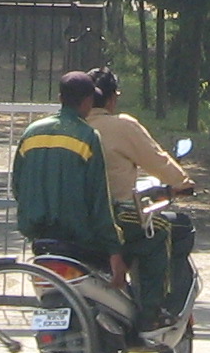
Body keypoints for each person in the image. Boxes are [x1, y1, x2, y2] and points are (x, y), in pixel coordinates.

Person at [84, 67, 194, 323]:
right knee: (165, 230)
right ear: (112, 98)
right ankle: (153, 312)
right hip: (116, 218)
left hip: (74, 219)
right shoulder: (122, 126)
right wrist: (183, 183)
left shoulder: (70, 128)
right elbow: (157, 160)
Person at [11, 69, 125, 285]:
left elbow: (17, 186)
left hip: (40, 239)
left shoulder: (31, 132)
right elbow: (99, 200)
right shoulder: (88, 136)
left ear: (60, 98)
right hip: (79, 241)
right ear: (89, 101)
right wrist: (114, 250)